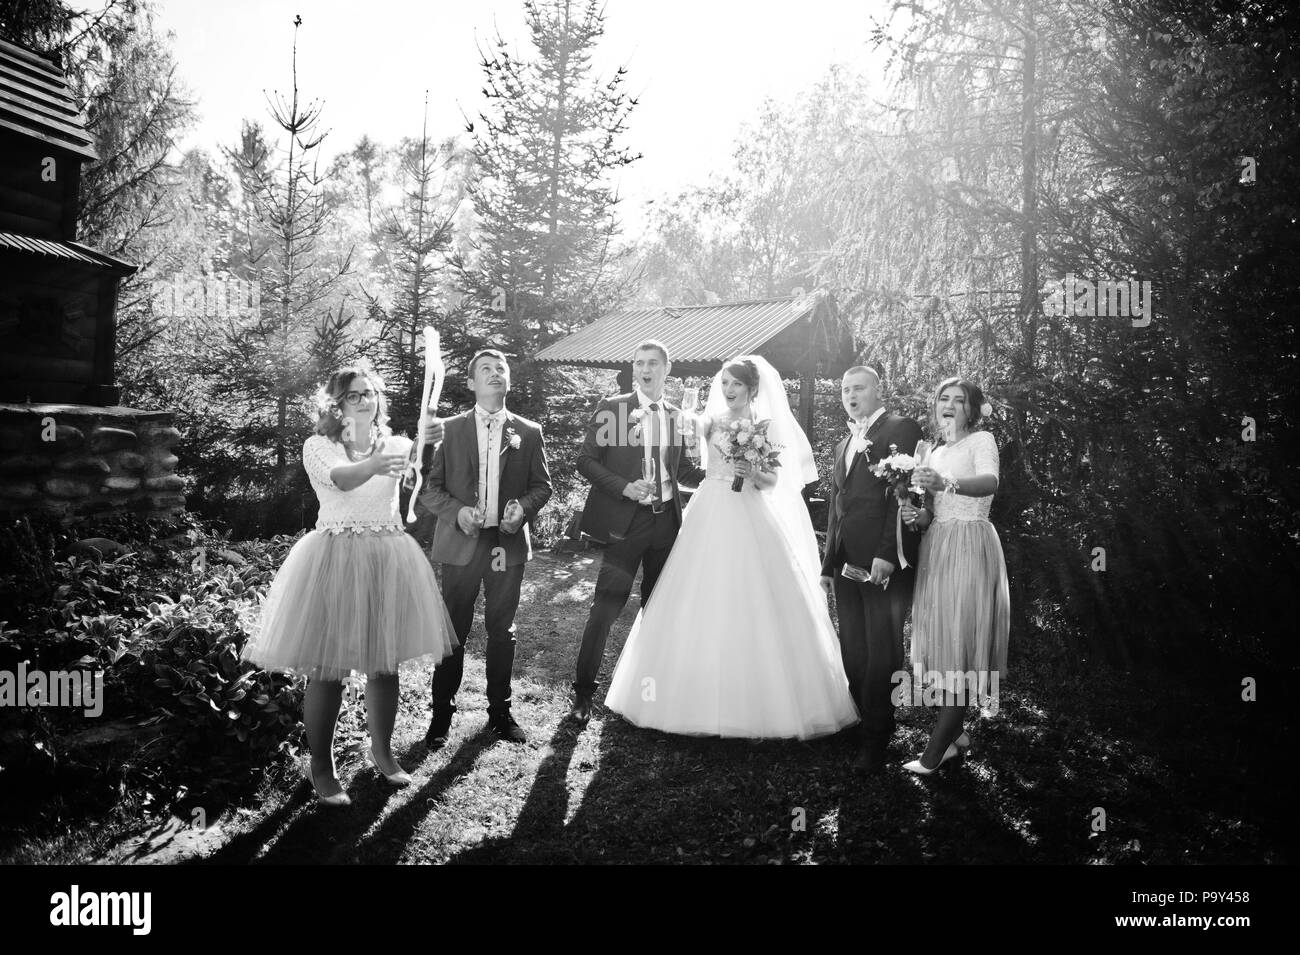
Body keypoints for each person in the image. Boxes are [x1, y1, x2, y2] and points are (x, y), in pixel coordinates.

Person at [603, 355, 858, 739]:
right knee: (696, 590)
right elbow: (686, 426)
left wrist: (752, 472)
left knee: (754, 593)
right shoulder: (712, 422)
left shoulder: (765, 427)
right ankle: (676, 695)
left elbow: (774, 481)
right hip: (710, 507)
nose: (728, 390)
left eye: (736, 384)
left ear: (752, 388)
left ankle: (762, 701)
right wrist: (673, 421)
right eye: (724, 383)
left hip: (750, 511)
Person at [242, 363, 457, 807]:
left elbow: (416, 480)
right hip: (335, 557)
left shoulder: (395, 442)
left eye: (369, 393)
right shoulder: (318, 446)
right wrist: (380, 461)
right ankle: (322, 768)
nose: (364, 400)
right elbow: (343, 479)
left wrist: (425, 447)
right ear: (336, 405)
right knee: (329, 670)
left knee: (384, 663)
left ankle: (382, 752)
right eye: (353, 395)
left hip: (388, 555)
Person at [417, 349, 552, 747]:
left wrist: (521, 512)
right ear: (473, 383)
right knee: (452, 630)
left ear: (508, 380)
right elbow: (428, 488)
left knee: (501, 630)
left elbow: (542, 486)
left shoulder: (528, 431)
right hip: (462, 543)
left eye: (501, 369)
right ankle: (441, 715)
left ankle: (500, 714)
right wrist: (457, 512)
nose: (495, 374)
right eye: (486, 370)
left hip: (504, 543)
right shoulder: (450, 429)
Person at [568, 340, 705, 724]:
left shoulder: (678, 416)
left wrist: (726, 471)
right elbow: (585, 460)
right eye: (638, 363)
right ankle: (582, 695)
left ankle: (652, 695)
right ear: (633, 369)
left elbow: (683, 472)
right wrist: (622, 486)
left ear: (667, 369)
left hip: (666, 525)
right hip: (625, 526)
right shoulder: (612, 409)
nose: (644, 370)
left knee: (659, 609)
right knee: (605, 609)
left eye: (652, 364)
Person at [900, 376, 1010, 774]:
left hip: (970, 546)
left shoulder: (982, 441)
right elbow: (932, 511)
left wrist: (945, 482)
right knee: (941, 636)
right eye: (943, 398)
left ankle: (933, 755)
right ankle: (955, 737)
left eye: (959, 400)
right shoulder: (931, 451)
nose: (949, 404)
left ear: (972, 408)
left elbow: (989, 483)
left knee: (961, 639)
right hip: (938, 547)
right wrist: (917, 517)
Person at [819, 366, 925, 773]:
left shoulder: (901, 429)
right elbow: (836, 506)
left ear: (878, 390)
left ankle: (877, 739)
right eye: (845, 389)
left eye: (859, 387)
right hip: (846, 561)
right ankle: (865, 719)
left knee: (882, 649)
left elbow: (904, 493)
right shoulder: (844, 441)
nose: (851, 394)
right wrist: (828, 561)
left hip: (883, 560)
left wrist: (886, 552)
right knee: (854, 648)